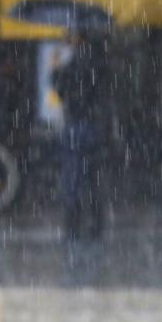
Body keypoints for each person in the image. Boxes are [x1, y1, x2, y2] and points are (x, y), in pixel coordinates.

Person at [51, 32, 108, 242]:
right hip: (91, 124)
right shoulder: (97, 58)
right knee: (91, 176)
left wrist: (57, 70)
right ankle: (95, 223)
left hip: (77, 124)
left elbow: (62, 91)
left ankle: (74, 224)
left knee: (73, 176)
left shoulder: (76, 62)